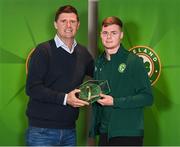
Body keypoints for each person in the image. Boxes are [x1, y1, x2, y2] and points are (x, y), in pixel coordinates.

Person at [25, 5, 94, 146]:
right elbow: (32, 88)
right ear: (55, 24)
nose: (68, 25)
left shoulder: (83, 53)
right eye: (63, 21)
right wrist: (65, 98)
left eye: (73, 21)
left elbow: (100, 73)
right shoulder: (43, 51)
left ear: (78, 25)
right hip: (42, 132)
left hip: (69, 131)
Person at [88, 16, 153, 146]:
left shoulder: (133, 61)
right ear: (100, 35)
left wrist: (115, 101)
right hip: (104, 133)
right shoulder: (99, 63)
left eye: (114, 33)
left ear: (121, 35)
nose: (109, 37)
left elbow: (147, 98)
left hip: (127, 134)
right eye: (105, 33)